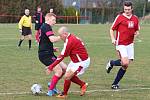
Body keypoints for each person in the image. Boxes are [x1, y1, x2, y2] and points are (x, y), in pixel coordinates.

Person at [46, 27, 90, 98]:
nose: (60, 37)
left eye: (60, 36)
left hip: (82, 62)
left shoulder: (69, 41)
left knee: (67, 76)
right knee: (68, 75)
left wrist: (51, 67)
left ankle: (64, 94)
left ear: (65, 34)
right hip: (75, 61)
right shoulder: (71, 37)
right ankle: (83, 85)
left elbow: (61, 57)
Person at [106, 1, 140, 89]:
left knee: (125, 65)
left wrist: (136, 33)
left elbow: (136, 29)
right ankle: (114, 81)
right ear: (123, 9)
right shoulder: (120, 17)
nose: (127, 11)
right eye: (125, 9)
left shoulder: (135, 18)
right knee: (124, 62)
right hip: (120, 43)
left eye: (128, 9)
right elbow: (111, 29)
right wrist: (113, 39)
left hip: (130, 44)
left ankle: (114, 80)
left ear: (132, 9)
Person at [38, 13, 67, 96]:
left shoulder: (45, 26)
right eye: (53, 20)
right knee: (59, 71)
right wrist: (62, 36)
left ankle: (52, 84)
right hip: (45, 55)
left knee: (65, 68)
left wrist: (52, 49)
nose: (55, 22)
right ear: (48, 19)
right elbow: (52, 39)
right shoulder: (46, 26)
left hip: (48, 53)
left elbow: (43, 41)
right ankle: (50, 91)